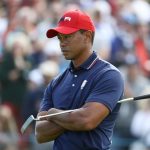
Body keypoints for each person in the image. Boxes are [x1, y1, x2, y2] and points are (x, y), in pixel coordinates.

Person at [35, 9, 124, 150]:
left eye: (67, 37)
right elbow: (40, 133)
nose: (62, 43)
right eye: (60, 38)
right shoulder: (56, 82)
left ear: (87, 36)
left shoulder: (108, 75)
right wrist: (74, 115)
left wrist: (53, 113)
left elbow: (86, 120)